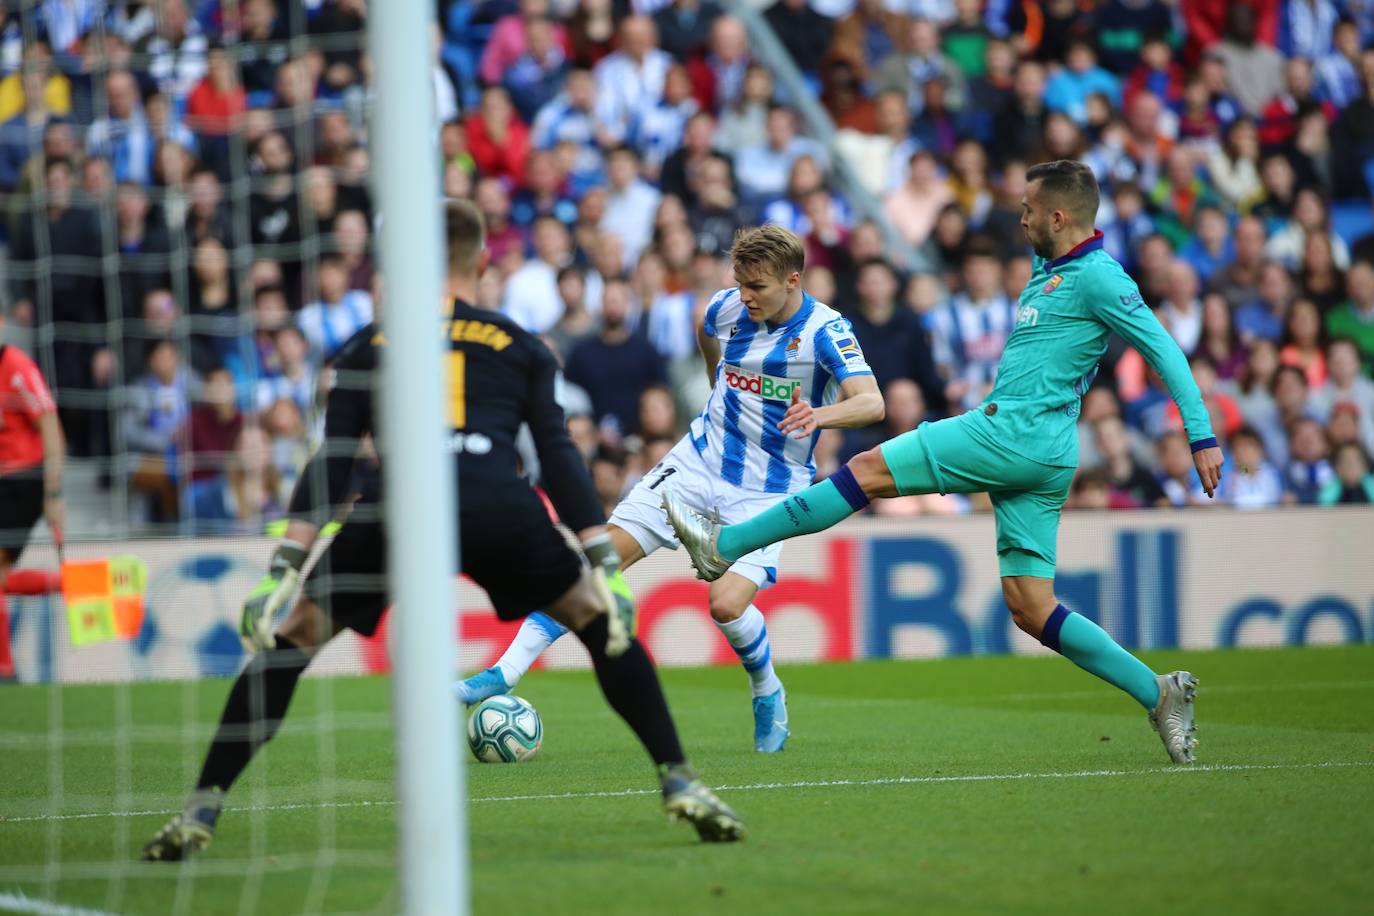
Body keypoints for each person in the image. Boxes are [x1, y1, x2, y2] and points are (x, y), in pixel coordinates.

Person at [142, 200, 744, 862]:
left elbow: (334, 460)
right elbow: (560, 456)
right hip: (496, 501)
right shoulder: (520, 345)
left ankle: (202, 806)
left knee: (290, 644)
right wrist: (601, 561)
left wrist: (286, 566)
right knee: (603, 627)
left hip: (397, 506)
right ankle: (679, 779)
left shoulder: (367, 345)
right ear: (483, 264)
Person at [663, 162, 1223, 766]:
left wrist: (1201, 436)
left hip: (1011, 434)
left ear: (1060, 218)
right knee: (1033, 608)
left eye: (1031, 208)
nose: (1022, 216)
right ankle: (1159, 693)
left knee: (868, 469)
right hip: (1046, 455)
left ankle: (724, 545)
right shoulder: (1052, 268)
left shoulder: (1100, 279)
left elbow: (1163, 348)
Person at [456, 225, 885, 753]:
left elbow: (872, 403)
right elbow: (707, 331)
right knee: (596, 563)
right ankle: (505, 671)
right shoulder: (728, 308)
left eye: (758, 287)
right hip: (698, 463)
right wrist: (715, 382)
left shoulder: (825, 330)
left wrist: (819, 414)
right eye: (740, 283)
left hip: (769, 489)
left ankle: (766, 686)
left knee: (725, 604)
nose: (745, 296)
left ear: (792, 280)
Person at [0, 310, 65, 679]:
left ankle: (4, 670)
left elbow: (51, 424)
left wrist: (54, 494)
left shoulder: (16, 366)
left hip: (25, 480)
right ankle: (71, 584)